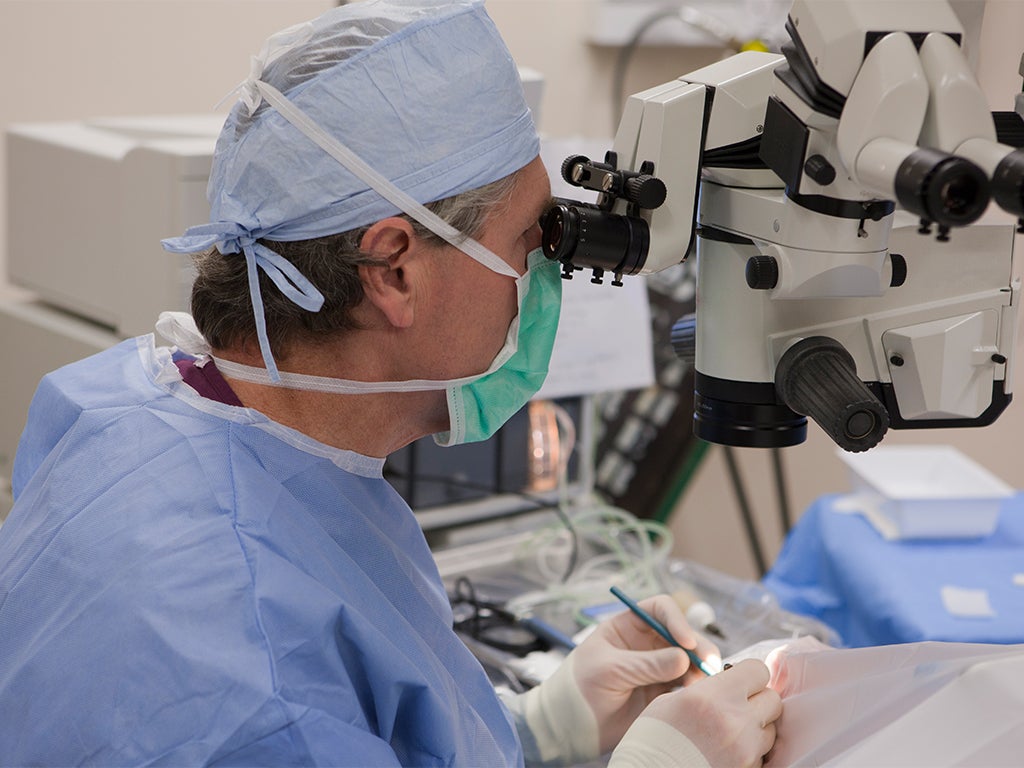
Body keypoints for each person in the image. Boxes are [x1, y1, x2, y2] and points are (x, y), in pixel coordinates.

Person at [0, 1, 780, 765]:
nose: (544, 276)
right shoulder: (259, 684)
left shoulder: (123, 403)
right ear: (394, 270)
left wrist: (544, 727)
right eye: (530, 240)